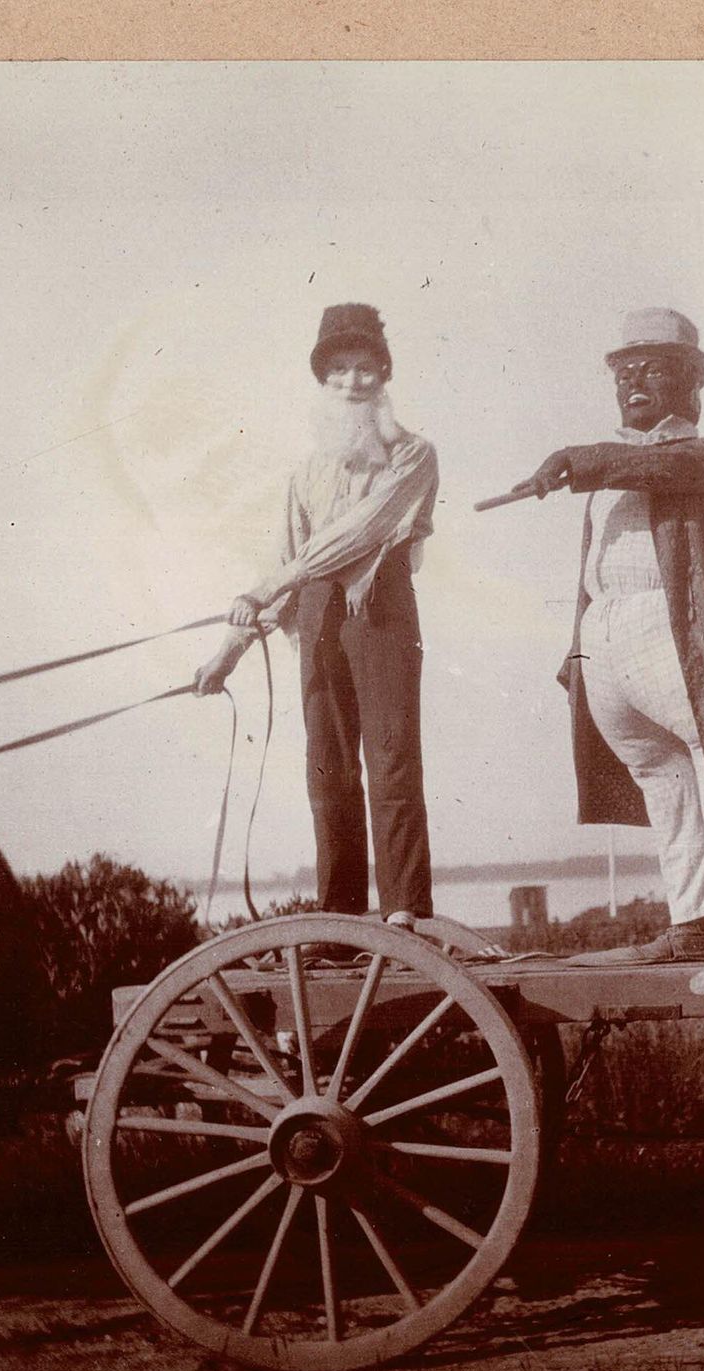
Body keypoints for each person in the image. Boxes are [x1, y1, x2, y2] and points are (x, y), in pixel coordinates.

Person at [508, 308, 704, 996]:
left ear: (692, 381)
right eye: (623, 369)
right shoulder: (613, 461)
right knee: (661, 778)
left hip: (674, 626)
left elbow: (657, 467)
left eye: (653, 367)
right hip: (604, 633)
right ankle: (691, 922)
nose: (632, 380)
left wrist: (578, 458)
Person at [193, 303, 440, 925]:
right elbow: (285, 565)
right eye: (338, 370)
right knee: (327, 768)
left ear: (383, 375)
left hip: (381, 609)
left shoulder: (412, 455)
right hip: (316, 613)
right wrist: (226, 654)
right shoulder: (306, 473)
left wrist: (269, 587)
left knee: (391, 761)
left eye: (364, 368)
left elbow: (358, 535)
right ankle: (339, 916)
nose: (352, 382)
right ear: (323, 381)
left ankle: (404, 911)